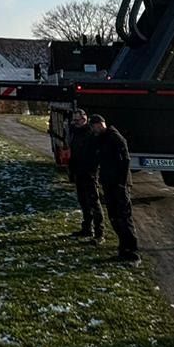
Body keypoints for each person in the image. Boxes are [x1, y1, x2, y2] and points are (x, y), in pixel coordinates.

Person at [91, 114, 139, 262]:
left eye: (93, 127)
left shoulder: (115, 137)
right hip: (108, 182)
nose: (93, 130)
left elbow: (126, 160)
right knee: (114, 217)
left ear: (100, 124)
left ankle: (132, 252)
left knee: (124, 218)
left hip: (119, 184)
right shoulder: (101, 138)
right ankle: (123, 248)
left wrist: (121, 183)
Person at [67, 110, 101, 240]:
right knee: (83, 202)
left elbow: (96, 155)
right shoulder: (75, 132)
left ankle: (99, 232)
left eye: (77, 120)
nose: (75, 123)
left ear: (84, 119)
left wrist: (93, 171)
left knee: (94, 203)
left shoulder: (91, 134)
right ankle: (87, 228)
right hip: (78, 172)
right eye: (74, 120)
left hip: (89, 173)